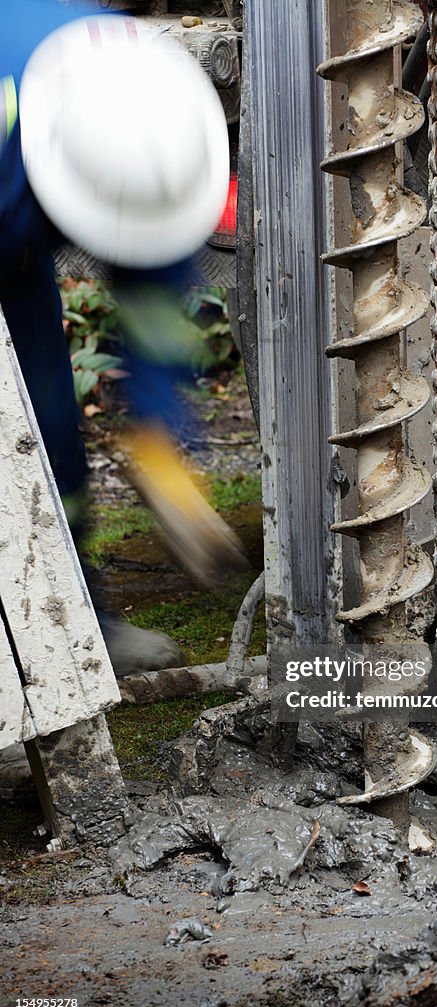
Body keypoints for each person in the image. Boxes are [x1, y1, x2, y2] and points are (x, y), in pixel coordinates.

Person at [0, 0, 249, 675]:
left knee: (49, 431)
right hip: (8, 208)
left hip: (14, 254)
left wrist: (162, 447)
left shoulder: (135, 100)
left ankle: (73, 619)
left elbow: (155, 309)